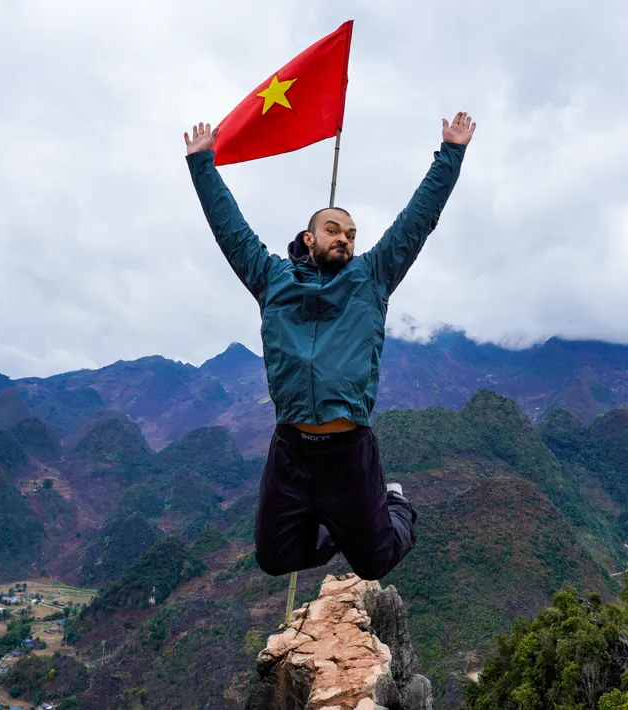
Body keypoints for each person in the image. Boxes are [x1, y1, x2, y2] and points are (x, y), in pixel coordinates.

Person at [184, 112, 476, 580]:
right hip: (291, 450)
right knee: (274, 558)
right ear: (309, 237)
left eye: (352, 234)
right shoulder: (271, 278)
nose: (345, 238)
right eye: (335, 230)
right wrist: (202, 164)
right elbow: (230, 229)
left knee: (375, 563)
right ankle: (341, 527)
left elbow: (417, 221)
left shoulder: (371, 278)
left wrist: (451, 153)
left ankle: (393, 502)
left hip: (349, 451)